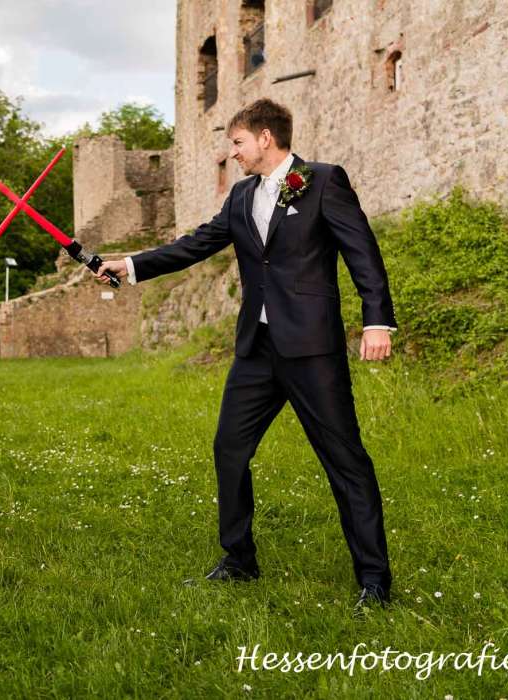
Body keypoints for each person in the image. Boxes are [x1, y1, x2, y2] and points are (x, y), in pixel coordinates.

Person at [95, 99, 397, 613]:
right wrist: (130, 265)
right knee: (229, 449)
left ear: (265, 138)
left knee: (345, 460)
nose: (232, 153)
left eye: (237, 142)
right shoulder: (240, 196)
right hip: (256, 349)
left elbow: (362, 252)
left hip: (312, 349)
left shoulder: (323, 181)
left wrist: (376, 321)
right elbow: (197, 244)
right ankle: (239, 560)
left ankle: (374, 580)